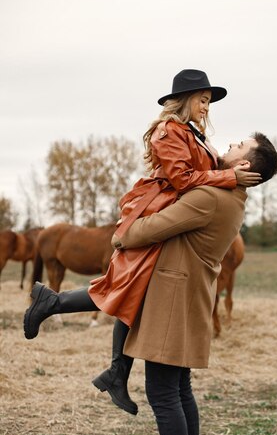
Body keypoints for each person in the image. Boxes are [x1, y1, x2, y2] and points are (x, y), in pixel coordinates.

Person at [23, 69, 260, 417]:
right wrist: (228, 175)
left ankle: (114, 369)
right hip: (154, 210)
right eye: (203, 100)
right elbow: (181, 179)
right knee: (128, 286)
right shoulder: (168, 131)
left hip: (170, 211)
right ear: (185, 100)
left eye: (209, 102)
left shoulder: (194, 134)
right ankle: (55, 305)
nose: (207, 108)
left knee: (136, 289)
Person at [109, 133, 277, 435]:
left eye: (239, 145)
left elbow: (149, 229)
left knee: (163, 392)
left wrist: (122, 236)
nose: (231, 143)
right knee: (179, 390)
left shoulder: (209, 197)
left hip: (174, 302)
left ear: (243, 167)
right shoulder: (232, 196)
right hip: (189, 299)